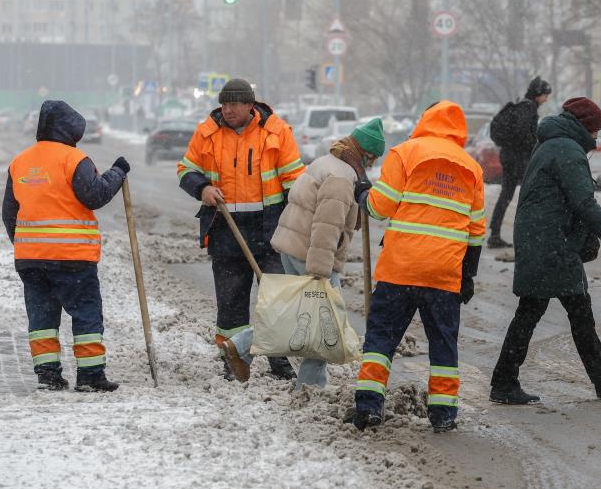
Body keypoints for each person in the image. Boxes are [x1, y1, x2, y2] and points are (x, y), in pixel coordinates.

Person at [346, 101, 485, 433]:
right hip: (444, 273)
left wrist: (364, 195)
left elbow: (380, 207)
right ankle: (443, 413)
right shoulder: (472, 167)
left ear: (425, 120)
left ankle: (368, 407)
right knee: (443, 344)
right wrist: (468, 275)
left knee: (381, 339)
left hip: (401, 269)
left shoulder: (405, 153)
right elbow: (476, 230)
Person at [489, 97, 601, 405]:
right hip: (551, 244)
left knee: (545, 312)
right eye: (596, 130)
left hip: (543, 240)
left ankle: (600, 377)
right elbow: (583, 202)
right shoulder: (567, 150)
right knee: (564, 312)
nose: (597, 137)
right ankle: (507, 381)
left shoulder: (554, 145)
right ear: (584, 127)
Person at [220, 119, 386, 387]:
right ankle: (310, 387)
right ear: (366, 154)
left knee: (299, 316)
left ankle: (240, 347)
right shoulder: (341, 178)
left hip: (294, 246)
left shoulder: (326, 163)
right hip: (311, 254)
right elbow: (326, 226)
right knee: (324, 326)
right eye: (373, 159)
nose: (371, 165)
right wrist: (319, 272)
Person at [177, 78, 305, 380]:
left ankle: (279, 360)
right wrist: (203, 189)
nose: (228, 109)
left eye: (234, 104)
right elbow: (185, 170)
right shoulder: (206, 133)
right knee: (231, 301)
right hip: (225, 228)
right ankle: (232, 359)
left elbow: (294, 182)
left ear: (250, 105)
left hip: (270, 229)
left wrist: (299, 221)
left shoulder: (277, 133)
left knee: (275, 298)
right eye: (224, 103)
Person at [2, 100, 130, 392]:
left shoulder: (20, 161)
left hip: (31, 259)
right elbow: (95, 196)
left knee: (42, 317)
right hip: (72, 257)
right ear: (71, 130)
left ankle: (48, 376)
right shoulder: (74, 160)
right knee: (85, 313)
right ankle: (90, 376)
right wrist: (117, 173)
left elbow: (10, 213)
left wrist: (25, 243)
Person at [487, 77, 552, 249]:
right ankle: (530, 236)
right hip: (518, 159)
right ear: (538, 94)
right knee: (531, 196)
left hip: (511, 156)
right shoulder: (528, 108)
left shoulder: (522, 105)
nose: (546, 99)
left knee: (507, 196)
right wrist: (535, 144)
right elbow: (523, 135)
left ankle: (495, 234)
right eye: (545, 95)